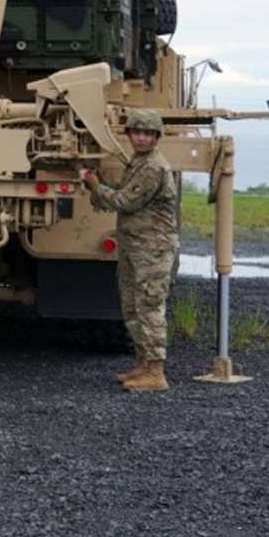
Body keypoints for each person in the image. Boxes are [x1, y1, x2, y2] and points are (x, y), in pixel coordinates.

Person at [80, 106, 179, 393]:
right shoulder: (139, 162)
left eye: (148, 133)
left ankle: (156, 373)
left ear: (157, 137)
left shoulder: (153, 167)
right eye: (137, 132)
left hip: (152, 248)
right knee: (133, 306)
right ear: (130, 134)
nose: (142, 138)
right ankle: (143, 364)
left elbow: (126, 202)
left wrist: (95, 186)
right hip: (136, 246)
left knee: (149, 307)